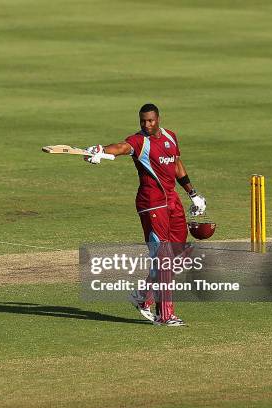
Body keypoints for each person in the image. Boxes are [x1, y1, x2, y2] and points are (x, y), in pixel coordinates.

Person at [84, 103, 206, 326]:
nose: (146, 125)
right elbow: (121, 148)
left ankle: (143, 296)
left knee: (181, 253)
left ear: (158, 119)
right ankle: (165, 315)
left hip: (172, 200)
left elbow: (177, 165)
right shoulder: (140, 141)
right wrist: (101, 151)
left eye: (150, 121)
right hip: (151, 202)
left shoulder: (171, 137)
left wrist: (193, 194)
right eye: (143, 121)